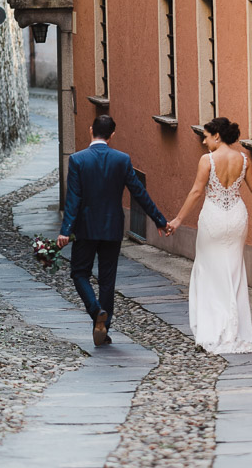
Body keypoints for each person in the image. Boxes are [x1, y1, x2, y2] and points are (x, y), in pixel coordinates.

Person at [56, 114, 171, 346]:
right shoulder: (122, 159)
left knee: (79, 273)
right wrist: (159, 220)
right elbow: (139, 193)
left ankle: (96, 310)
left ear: (91, 131)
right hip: (112, 229)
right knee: (108, 280)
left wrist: (65, 230)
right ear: (112, 135)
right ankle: (103, 329)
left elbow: (74, 198)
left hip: (86, 228)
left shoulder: (78, 160)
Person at [169, 116, 252, 355]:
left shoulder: (207, 160)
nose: (204, 142)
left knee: (209, 270)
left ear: (217, 135)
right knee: (234, 271)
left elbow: (198, 190)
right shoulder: (243, 159)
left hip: (214, 217)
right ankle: (236, 330)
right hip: (237, 217)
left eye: (206, 137)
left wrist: (178, 220)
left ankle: (214, 329)